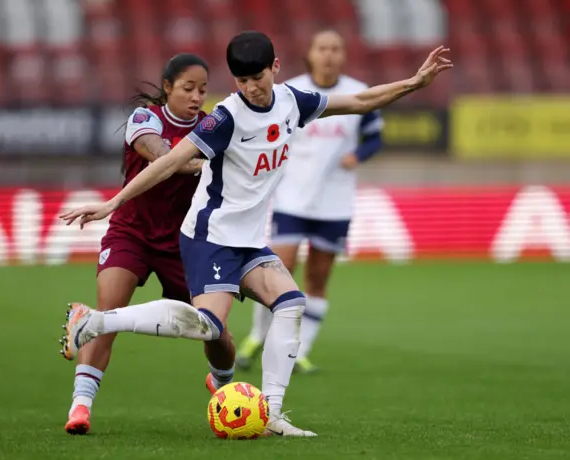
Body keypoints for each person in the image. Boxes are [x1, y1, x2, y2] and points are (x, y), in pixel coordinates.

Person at [59, 31, 452, 437]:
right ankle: (97, 321)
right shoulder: (224, 118)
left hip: (247, 239)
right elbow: (168, 161)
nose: (251, 88)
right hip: (210, 237)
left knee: (291, 303)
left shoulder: (291, 101)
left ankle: (273, 415)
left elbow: (358, 102)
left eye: (257, 78)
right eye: (242, 81)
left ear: (275, 68)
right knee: (209, 325)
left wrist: (413, 83)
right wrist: (111, 204)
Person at [62, 53, 236, 435]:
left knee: (216, 331)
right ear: (168, 87)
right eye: (188, 88)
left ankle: (224, 386)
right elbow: (160, 155)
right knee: (107, 316)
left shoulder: (211, 125)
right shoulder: (146, 119)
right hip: (132, 232)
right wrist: (201, 161)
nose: (196, 97)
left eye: (203, 90)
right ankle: (80, 407)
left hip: (185, 243)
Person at [236, 30, 384, 374]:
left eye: (335, 48)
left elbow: (375, 137)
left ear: (343, 55)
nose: (329, 55)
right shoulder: (291, 92)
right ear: (310, 54)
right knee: (278, 269)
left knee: (318, 277)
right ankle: (257, 336)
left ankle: (299, 350)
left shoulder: (357, 91)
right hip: (292, 198)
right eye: (322, 48)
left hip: (335, 203)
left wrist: (358, 155)